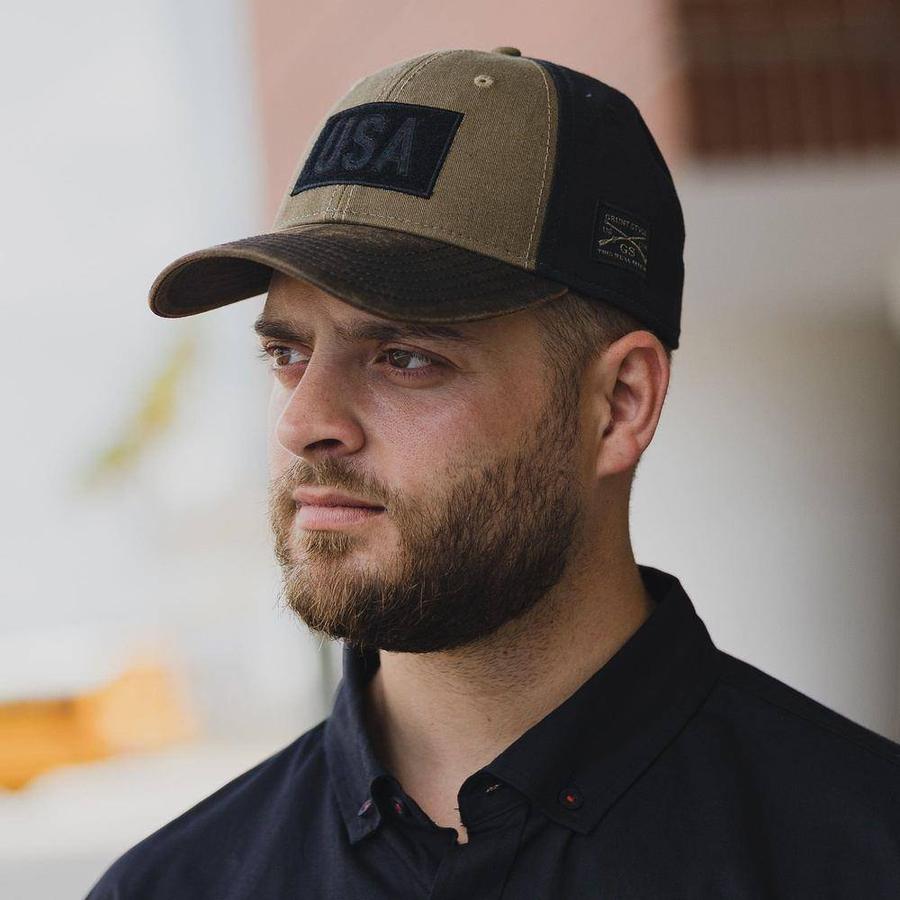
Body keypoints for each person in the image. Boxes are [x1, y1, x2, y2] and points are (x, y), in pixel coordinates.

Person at [86, 47, 900, 899]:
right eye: (287, 354)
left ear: (619, 403)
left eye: (405, 357)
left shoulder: (861, 856)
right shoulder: (169, 887)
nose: (303, 422)